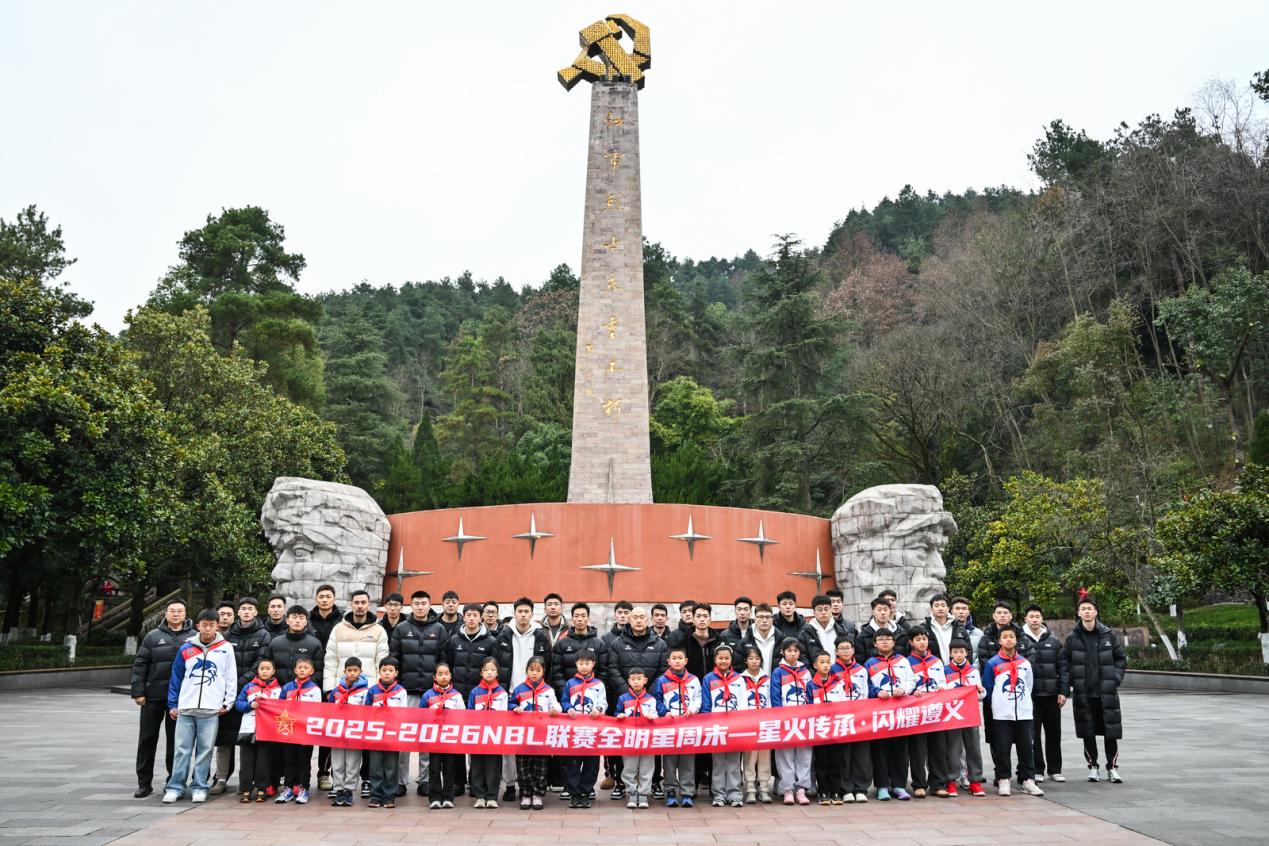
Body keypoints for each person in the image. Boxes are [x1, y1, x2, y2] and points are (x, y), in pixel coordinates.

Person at [162, 609, 237, 804]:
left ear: (217, 626)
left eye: (212, 624)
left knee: (205, 751)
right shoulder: (186, 648)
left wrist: (228, 702)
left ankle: (199, 786)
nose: (208, 628)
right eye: (204, 624)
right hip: (186, 708)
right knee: (181, 749)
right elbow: (176, 678)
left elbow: (230, 677)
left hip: (211, 710)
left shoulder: (225, 648)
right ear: (198, 626)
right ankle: (175, 786)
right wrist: (173, 704)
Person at [600, 604, 667, 801]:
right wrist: (627, 694)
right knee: (625, 743)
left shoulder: (660, 644)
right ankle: (622, 784)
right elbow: (612, 668)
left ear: (648, 620)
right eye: (635, 616)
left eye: (642, 617)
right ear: (629, 619)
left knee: (651, 743)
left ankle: (653, 782)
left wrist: (648, 694)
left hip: (650, 701)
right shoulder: (617, 643)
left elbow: (663, 671)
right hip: (624, 700)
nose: (638, 620)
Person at [130, 598, 191, 798]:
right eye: (172, 610)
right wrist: (138, 691)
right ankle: (144, 782)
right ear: (166, 613)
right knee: (147, 739)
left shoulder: (193, 637)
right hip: (153, 696)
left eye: (179, 611)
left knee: (176, 742)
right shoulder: (152, 636)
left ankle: (173, 782)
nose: (175, 614)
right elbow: (140, 664)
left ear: (185, 614)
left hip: (180, 700)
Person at [390, 590, 447, 796]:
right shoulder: (401, 628)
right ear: (411, 605)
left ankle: (425, 780)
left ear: (430, 604)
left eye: (424, 603)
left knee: (427, 738)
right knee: (404, 737)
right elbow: (394, 658)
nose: (420, 607)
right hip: (407, 690)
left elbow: (443, 659)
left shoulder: (439, 629)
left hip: (431, 693)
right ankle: (400, 781)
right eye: (416, 603)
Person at [496, 597, 551, 802]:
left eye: (527, 611)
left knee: (534, 746)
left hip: (535, 696)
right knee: (510, 746)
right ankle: (511, 785)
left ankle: (532, 788)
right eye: (520, 611)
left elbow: (548, 666)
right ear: (515, 612)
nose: (523, 615)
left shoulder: (541, 636)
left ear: (532, 614)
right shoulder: (503, 635)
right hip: (511, 695)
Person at [1065, 597, 1125, 784]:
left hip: (1106, 693)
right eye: (1083, 609)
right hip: (1084, 694)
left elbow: (1120, 659)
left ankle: (1112, 768)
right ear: (1079, 613)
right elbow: (1064, 662)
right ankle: (1093, 767)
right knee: (1087, 732)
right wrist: (1071, 684)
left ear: (1096, 612)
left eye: (1090, 608)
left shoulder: (1109, 635)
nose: (1087, 612)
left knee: (1110, 732)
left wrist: (1114, 679)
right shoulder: (1072, 638)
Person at [213, 596, 269, 796]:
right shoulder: (227, 635)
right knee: (224, 739)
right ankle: (220, 778)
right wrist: (230, 685)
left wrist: (241, 682)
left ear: (256, 612)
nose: (246, 612)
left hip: (250, 692)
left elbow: (261, 663)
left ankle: (247, 780)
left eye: (250, 609)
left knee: (250, 739)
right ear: (239, 612)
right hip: (228, 692)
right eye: (243, 608)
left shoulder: (263, 635)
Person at [984, 627, 1044, 796]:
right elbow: (988, 688)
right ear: (999, 641)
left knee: (1026, 747)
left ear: (1017, 640)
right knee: (1002, 748)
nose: (1008, 639)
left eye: (1011, 636)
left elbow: (1029, 685)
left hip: (1024, 712)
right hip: (1002, 714)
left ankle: (1028, 780)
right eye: (1005, 637)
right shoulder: (993, 663)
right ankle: (1003, 779)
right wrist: (1000, 704)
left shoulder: (1025, 663)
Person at [865, 628, 915, 801]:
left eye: (888, 639)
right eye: (880, 639)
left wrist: (905, 689)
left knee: (900, 749)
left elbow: (912, 679)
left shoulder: (903, 661)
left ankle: (899, 785)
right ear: (875, 643)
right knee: (880, 750)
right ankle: (882, 786)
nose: (884, 642)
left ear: (894, 642)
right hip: (880, 713)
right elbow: (866, 686)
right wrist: (877, 691)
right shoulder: (869, 663)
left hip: (901, 712)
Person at [1021, 604, 1069, 783]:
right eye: (1031, 616)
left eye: (1037, 617)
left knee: (1054, 733)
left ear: (1042, 619)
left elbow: (1063, 668)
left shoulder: (1054, 641)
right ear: (1025, 619)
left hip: (1051, 694)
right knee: (1033, 735)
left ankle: (1055, 769)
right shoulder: (1021, 640)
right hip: (1031, 695)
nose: (1034, 620)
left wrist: (1064, 691)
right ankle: (1038, 769)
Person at [977, 602, 1025, 778]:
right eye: (999, 612)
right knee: (996, 736)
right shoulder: (986, 638)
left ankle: (1024, 773)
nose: (1003, 615)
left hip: (1018, 696)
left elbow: (1029, 661)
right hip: (995, 693)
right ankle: (1001, 773)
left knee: (1024, 738)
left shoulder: (1021, 636)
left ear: (1011, 616)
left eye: (1006, 612)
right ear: (994, 616)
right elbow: (984, 662)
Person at [653, 645, 701, 808]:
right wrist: (664, 712)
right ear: (668, 661)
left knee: (688, 760)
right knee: (669, 761)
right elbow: (657, 700)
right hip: (669, 726)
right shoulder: (662, 680)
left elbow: (698, 698)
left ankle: (687, 792)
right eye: (674, 658)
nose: (678, 661)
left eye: (680, 658)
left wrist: (693, 709)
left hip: (688, 725)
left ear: (686, 661)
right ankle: (670, 791)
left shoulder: (693, 680)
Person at [511, 655, 560, 810]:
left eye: (538, 670)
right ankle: (526, 794)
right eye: (531, 670)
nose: (534, 673)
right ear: (526, 671)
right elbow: (511, 703)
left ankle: (537, 794)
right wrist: (514, 708)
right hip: (524, 735)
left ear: (543, 672)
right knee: (523, 766)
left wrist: (555, 710)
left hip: (542, 734)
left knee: (541, 766)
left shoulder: (549, 690)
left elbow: (556, 705)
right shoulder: (519, 689)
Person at [561, 649, 607, 808]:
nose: (584, 666)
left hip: (593, 730)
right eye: (581, 663)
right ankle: (574, 794)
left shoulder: (599, 684)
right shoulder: (570, 683)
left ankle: (586, 792)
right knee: (573, 763)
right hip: (574, 730)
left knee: (591, 763)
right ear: (576, 664)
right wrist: (568, 708)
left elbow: (603, 702)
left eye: (587, 663)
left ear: (593, 664)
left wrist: (599, 709)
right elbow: (564, 701)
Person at [701, 644, 746, 807]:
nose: (724, 661)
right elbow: (706, 704)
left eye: (727, 658)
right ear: (715, 659)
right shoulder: (708, 679)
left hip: (734, 726)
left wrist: (740, 723)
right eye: (720, 658)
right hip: (716, 727)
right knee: (718, 762)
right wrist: (708, 722)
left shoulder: (739, 679)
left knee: (734, 762)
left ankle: (734, 793)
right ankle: (718, 793)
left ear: (731, 659)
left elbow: (742, 703)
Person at [309, 584, 343, 793]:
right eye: (321, 596)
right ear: (316, 599)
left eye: (328, 596)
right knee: (306, 727)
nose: (324, 600)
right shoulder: (307, 621)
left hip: (332, 682)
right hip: (310, 681)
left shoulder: (341, 621)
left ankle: (324, 772)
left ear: (334, 598)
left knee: (328, 732)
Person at [906, 626, 948, 798]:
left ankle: (938, 784)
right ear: (911, 642)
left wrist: (941, 688)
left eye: (924, 639)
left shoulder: (937, 661)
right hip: (916, 711)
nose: (922, 642)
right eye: (918, 639)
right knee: (917, 749)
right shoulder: (906, 662)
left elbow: (944, 682)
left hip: (935, 709)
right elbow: (905, 684)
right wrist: (911, 691)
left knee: (938, 747)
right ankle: (919, 784)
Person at [614, 666, 663, 809]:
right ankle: (631, 792)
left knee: (647, 767)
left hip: (647, 738)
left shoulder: (651, 699)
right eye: (633, 679)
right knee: (629, 767)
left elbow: (656, 715)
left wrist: (651, 717)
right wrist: (620, 716)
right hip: (629, 739)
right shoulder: (623, 698)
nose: (636, 682)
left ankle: (643, 794)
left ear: (645, 681)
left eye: (639, 679)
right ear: (628, 681)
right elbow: (617, 712)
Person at [943, 638, 987, 797]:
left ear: (967, 653)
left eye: (962, 652)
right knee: (953, 748)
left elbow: (981, 695)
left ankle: (975, 781)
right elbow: (942, 692)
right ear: (950, 653)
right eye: (955, 652)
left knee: (973, 747)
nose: (959, 655)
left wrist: (981, 691)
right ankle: (951, 781)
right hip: (953, 716)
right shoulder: (945, 671)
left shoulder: (973, 671)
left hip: (970, 714)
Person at [770, 638, 812, 805]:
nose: (792, 654)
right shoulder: (778, 672)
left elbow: (810, 693)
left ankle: (801, 789)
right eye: (789, 651)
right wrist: (780, 716)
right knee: (785, 755)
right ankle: (787, 789)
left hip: (803, 719)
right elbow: (775, 695)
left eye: (795, 651)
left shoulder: (806, 672)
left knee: (804, 755)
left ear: (799, 653)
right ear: (783, 652)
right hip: (785, 719)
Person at [234, 656, 281, 802]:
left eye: (268, 669)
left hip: (267, 730)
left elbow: (283, 708)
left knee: (264, 761)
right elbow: (238, 703)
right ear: (257, 670)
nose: (265, 671)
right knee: (246, 761)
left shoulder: (278, 690)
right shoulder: (249, 687)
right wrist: (249, 705)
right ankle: (245, 789)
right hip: (249, 729)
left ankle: (262, 788)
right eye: (262, 669)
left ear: (274, 671)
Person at [275, 657, 322, 803]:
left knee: (304, 760)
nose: (302, 669)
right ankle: (289, 788)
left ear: (312, 671)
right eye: (299, 667)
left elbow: (317, 710)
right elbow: (279, 706)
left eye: (305, 667)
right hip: (288, 730)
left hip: (305, 732)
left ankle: (304, 788)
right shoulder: (287, 687)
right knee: (289, 760)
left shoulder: (314, 689)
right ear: (295, 670)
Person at [831, 636, 872, 802]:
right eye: (841, 648)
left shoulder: (862, 670)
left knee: (861, 754)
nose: (845, 651)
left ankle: (860, 787)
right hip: (841, 717)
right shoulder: (832, 670)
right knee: (844, 754)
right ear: (836, 651)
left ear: (853, 650)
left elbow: (867, 692)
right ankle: (846, 788)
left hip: (860, 716)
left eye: (848, 648)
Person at [421, 663, 465, 808]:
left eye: (446, 673)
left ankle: (448, 797)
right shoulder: (427, 695)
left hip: (450, 739)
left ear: (451, 675)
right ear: (434, 677)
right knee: (434, 768)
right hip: (434, 739)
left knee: (449, 768)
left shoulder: (457, 696)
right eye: (440, 674)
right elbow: (420, 716)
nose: (443, 676)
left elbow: (463, 717)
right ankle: (434, 797)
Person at [365, 657, 408, 808]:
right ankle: (376, 795)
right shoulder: (372, 691)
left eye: (390, 671)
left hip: (392, 734)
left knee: (391, 766)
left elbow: (403, 713)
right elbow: (366, 711)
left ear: (396, 673)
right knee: (375, 765)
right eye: (384, 670)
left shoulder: (401, 691)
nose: (387, 673)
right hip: (375, 733)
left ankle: (389, 795)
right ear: (379, 672)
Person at [467, 657, 509, 808]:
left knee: (493, 765)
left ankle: (491, 796)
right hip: (478, 733)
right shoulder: (475, 692)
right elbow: (470, 712)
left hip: (494, 734)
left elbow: (504, 714)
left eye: (493, 670)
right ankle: (479, 795)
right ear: (481, 672)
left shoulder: (502, 693)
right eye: (486, 670)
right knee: (477, 764)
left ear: (497, 672)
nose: (489, 673)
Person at [328, 656, 370, 807]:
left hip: (355, 732)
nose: (352, 673)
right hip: (338, 731)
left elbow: (368, 711)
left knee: (352, 761)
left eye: (355, 670)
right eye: (349, 670)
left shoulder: (365, 692)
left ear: (361, 671)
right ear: (344, 671)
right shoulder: (336, 691)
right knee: (338, 761)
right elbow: (329, 709)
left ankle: (349, 790)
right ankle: (338, 789)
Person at [806, 651, 847, 805]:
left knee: (836, 760)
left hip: (835, 727)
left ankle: (836, 791)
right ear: (815, 665)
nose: (825, 665)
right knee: (821, 762)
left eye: (828, 662)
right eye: (822, 662)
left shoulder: (837, 683)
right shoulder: (810, 685)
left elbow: (844, 704)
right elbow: (808, 706)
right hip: (819, 728)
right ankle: (823, 790)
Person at [738, 646, 772, 803]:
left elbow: (771, 701)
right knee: (750, 756)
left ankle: (764, 788)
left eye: (757, 658)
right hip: (748, 723)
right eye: (751, 658)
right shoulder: (740, 679)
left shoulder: (767, 679)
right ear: (745, 661)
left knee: (764, 756)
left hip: (765, 723)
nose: (754, 661)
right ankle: (750, 788)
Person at [262, 606, 324, 686]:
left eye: (301, 618)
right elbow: (266, 666)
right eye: (294, 617)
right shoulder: (275, 642)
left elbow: (319, 671)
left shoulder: (315, 644)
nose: (297, 621)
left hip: (303, 691)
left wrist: (306, 686)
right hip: (276, 690)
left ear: (306, 622)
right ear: (287, 620)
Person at [797, 594, 841, 662]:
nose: (823, 612)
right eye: (819, 610)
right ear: (814, 613)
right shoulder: (805, 633)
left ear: (831, 610)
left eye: (826, 609)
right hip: (816, 672)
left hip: (839, 671)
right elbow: (803, 657)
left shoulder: (840, 630)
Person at [924, 594, 967, 663]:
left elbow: (968, 649)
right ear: (931, 609)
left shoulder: (959, 627)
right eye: (936, 606)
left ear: (948, 608)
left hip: (955, 669)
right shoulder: (925, 628)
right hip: (933, 668)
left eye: (943, 605)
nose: (940, 608)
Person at [741, 602, 779, 674]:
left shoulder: (780, 640)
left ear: (772, 619)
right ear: (755, 619)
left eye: (767, 617)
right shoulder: (745, 642)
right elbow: (739, 666)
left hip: (775, 683)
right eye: (761, 617)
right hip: (752, 684)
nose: (764, 620)